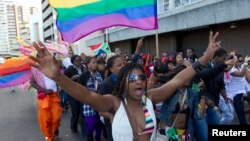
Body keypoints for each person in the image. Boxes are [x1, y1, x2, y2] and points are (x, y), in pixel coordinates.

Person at [29, 32, 220, 141]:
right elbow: (86, 96)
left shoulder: (150, 98)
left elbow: (177, 80)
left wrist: (204, 57)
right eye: (132, 78)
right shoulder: (114, 103)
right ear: (123, 83)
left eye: (141, 78)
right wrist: (57, 77)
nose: (139, 81)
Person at [30, 54, 62, 141]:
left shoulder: (52, 67)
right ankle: (49, 137)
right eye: (39, 57)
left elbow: (59, 77)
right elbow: (32, 83)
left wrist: (59, 86)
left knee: (56, 117)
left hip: (54, 96)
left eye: (43, 57)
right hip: (43, 97)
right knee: (45, 120)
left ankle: (55, 128)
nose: (42, 59)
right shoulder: (35, 69)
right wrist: (44, 90)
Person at [98, 55, 125, 141]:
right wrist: (113, 116)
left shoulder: (129, 80)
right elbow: (101, 111)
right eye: (119, 65)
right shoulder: (105, 85)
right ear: (111, 69)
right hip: (113, 123)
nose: (123, 66)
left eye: (124, 64)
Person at [64, 55, 85, 133]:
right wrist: (71, 79)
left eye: (80, 60)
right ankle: (73, 127)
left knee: (83, 111)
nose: (79, 62)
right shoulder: (69, 70)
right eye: (77, 61)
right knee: (75, 111)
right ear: (73, 62)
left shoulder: (83, 68)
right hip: (73, 94)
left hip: (82, 92)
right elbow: (64, 82)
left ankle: (84, 128)